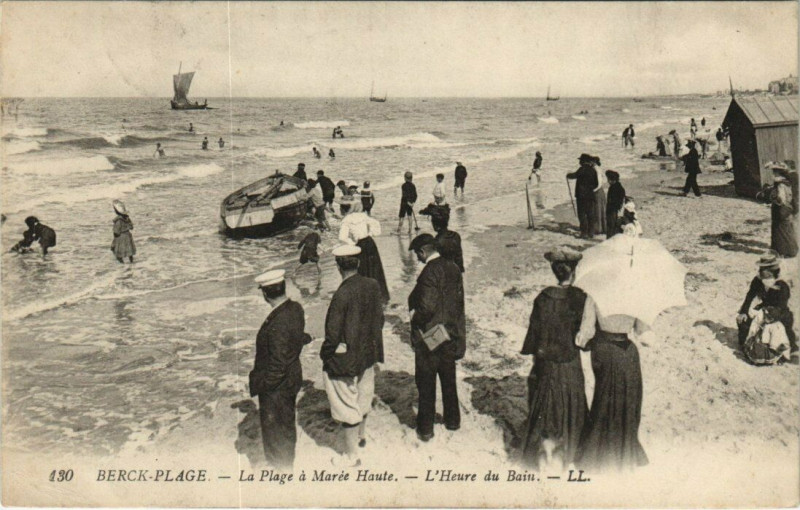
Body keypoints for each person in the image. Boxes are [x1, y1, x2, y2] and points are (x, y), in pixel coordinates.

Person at [574, 231, 649, 472]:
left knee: (604, 398)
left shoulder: (595, 291)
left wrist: (582, 343)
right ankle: (624, 449)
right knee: (629, 400)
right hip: (626, 350)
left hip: (602, 349)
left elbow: (585, 332)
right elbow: (644, 333)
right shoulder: (637, 291)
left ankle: (599, 451)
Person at [520, 247, 588, 471]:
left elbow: (534, 333)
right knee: (573, 401)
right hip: (570, 361)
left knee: (545, 403)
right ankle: (573, 446)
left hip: (547, 362)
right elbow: (585, 336)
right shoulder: (580, 297)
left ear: (554, 271)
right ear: (574, 271)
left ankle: (545, 449)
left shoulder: (543, 298)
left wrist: (535, 350)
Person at [321, 245, 385, 466]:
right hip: (368, 353)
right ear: (358, 263)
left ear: (338, 266)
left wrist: (326, 353)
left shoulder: (342, 293)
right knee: (364, 396)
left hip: (348, 357)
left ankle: (352, 456)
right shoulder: (372, 285)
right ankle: (362, 436)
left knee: (346, 403)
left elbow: (332, 333)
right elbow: (380, 320)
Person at [249, 269, 313, 470]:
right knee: (285, 425)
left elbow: (277, 364)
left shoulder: (277, 322)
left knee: (276, 431)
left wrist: (264, 385)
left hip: (278, 385)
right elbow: (297, 338)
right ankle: (286, 466)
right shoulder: (295, 308)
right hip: (292, 376)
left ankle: (282, 471)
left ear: (265, 294)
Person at [408, 234, 466, 442]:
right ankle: (452, 420)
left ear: (423, 251)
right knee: (448, 379)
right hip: (450, 333)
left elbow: (426, 307)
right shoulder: (453, 267)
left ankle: (425, 428)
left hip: (431, 335)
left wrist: (414, 318)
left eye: (417, 254)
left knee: (426, 382)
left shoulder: (429, 272)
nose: (417, 259)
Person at [737, 252, 797, 353]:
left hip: (779, 313)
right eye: (760, 268)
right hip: (763, 309)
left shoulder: (782, 285)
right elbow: (750, 296)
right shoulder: (758, 280)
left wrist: (766, 316)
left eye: (764, 269)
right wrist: (743, 312)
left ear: (772, 271)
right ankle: (746, 344)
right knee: (743, 321)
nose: (760, 271)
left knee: (780, 334)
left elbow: (781, 306)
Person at [339, 202, 390, 303]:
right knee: (375, 269)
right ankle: (380, 297)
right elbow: (376, 224)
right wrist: (371, 233)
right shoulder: (363, 216)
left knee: (362, 270)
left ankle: (365, 299)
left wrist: (352, 243)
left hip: (360, 245)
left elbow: (342, 237)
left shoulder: (347, 220)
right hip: (369, 242)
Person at [764, 176, 798, 258]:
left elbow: (780, 199)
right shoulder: (789, 183)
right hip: (788, 208)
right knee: (788, 230)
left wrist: (772, 197)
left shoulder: (780, 185)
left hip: (780, 210)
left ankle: (781, 251)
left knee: (779, 230)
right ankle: (792, 250)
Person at [566, 154, 598, 238]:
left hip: (581, 196)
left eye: (580, 160)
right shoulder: (593, 170)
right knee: (590, 214)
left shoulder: (582, 169)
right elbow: (596, 184)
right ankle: (591, 232)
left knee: (582, 214)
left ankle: (584, 233)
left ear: (583, 161)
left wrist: (567, 175)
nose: (579, 162)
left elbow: (574, 175)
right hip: (590, 196)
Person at [429, 207, 464, 273]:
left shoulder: (437, 241)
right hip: (457, 271)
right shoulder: (456, 235)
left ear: (436, 225)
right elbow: (459, 257)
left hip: (445, 274)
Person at [605, 170, 626, 239]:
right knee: (615, 227)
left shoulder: (613, 188)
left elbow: (612, 201)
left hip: (612, 210)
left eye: (608, 179)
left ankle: (609, 242)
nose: (607, 181)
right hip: (617, 210)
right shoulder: (619, 187)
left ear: (612, 180)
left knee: (611, 227)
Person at [590, 156, 606, 236]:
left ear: (594, 162)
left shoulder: (596, 169)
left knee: (597, 209)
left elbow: (599, 183)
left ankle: (598, 229)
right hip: (600, 191)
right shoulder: (598, 168)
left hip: (597, 191)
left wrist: (593, 190)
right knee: (600, 209)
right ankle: (602, 227)